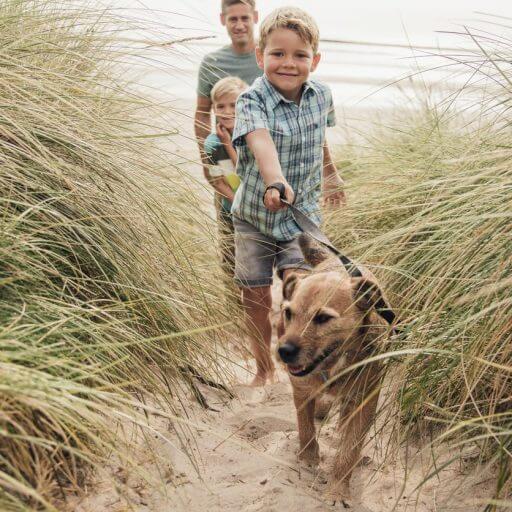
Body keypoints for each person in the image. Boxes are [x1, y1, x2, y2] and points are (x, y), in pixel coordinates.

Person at [231, 6, 346, 386]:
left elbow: (319, 140)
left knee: (303, 287)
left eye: (299, 55)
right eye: (277, 54)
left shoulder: (322, 96)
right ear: (260, 56)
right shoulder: (251, 100)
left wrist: (331, 173)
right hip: (255, 216)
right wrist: (275, 182)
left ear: (315, 59)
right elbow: (260, 143)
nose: (288, 63)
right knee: (256, 294)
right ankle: (263, 368)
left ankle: (302, 354)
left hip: (303, 216)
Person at [194, 0, 262, 218]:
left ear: (256, 17)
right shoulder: (212, 62)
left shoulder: (268, 57)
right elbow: (202, 113)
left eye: (245, 18)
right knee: (229, 226)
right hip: (223, 158)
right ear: (223, 20)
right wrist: (206, 158)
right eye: (233, 19)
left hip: (262, 159)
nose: (239, 25)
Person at [204, 76, 248, 278]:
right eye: (220, 106)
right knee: (230, 258)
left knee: (254, 260)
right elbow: (221, 181)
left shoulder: (253, 136)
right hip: (230, 206)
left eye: (234, 105)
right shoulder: (213, 144)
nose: (228, 111)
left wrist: (230, 144)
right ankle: (233, 304)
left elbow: (246, 172)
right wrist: (238, 203)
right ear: (213, 109)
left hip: (256, 206)